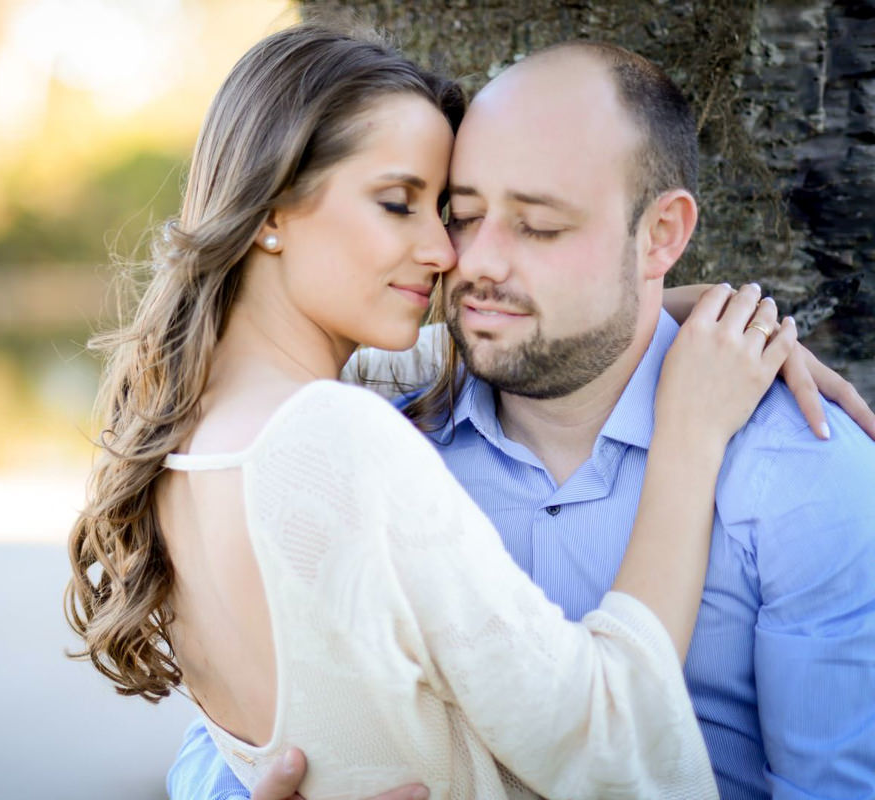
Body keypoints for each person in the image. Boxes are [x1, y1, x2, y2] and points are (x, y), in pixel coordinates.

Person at [166, 37, 875, 800]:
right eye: (463, 215)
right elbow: (225, 741)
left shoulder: (801, 471)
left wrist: (674, 306)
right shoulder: (386, 429)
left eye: (539, 227)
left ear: (662, 235)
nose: (465, 261)